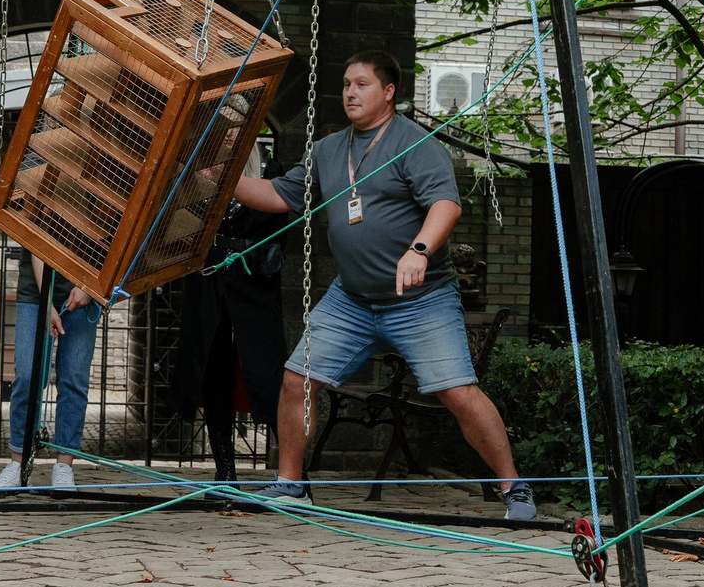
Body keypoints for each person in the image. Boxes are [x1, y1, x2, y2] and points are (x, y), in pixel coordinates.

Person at [226, 50, 533, 521]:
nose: (350, 92)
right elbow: (277, 195)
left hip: (422, 300)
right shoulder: (329, 149)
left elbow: (446, 205)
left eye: (362, 84)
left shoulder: (416, 144)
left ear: (388, 92)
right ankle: (290, 486)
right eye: (346, 84)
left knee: (458, 392)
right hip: (351, 299)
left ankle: (514, 487)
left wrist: (419, 250)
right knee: (296, 380)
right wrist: (225, 179)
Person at [171, 151, 288, 482]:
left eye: (237, 130)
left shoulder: (271, 170)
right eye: (225, 130)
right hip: (209, 281)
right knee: (213, 369)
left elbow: (279, 231)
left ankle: (293, 473)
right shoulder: (197, 174)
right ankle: (225, 471)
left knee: (269, 374)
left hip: (254, 283)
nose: (230, 136)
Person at [0, 251, 101, 490]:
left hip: (84, 287)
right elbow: (38, 243)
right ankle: (18, 464)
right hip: (35, 291)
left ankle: (64, 467)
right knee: (27, 377)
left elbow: (110, 246)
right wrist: (47, 303)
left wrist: (88, 286)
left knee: (74, 379)